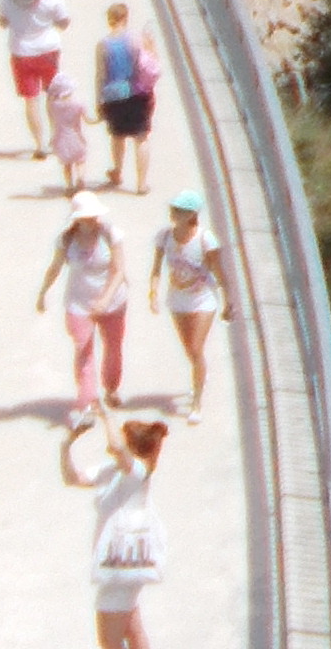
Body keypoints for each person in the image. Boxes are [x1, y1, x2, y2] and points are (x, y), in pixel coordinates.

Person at [70, 413, 169, 649]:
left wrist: (105, 415)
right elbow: (74, 478)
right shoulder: (117, 472)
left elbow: (114, 446)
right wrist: (66, 447)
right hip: (129, 565)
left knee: (110, 639)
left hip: (119, 567)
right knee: (132, 628)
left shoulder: (136, 470)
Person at [34, 209, 130, 412]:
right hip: (79, 302)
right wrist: (43, 292)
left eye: (94, 216)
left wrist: (105, 299)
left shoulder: (111, 235)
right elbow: (55, 267)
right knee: (83, 349)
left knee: (113, 346)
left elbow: (119, 270)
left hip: (112, 301)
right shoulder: (67, 240)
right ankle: (88, 399)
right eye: (87, 217)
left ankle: (111, 388)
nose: (93, 220)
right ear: (78, 220)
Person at [150, 190, 235, 411]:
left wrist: (228, 300)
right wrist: (153, 293)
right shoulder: (165, 236)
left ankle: (196, 402)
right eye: (173, 209)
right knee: (189, 349)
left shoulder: (205, 239)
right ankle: (199, 376)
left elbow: (218, 271)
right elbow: (156, 268)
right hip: (178, 299)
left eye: (180, 211)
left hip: (202, 298)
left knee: (196, 348)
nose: (174, 214)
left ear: (191, 215)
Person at [0, 0, 69, 136]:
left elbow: (2, 22)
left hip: (21, 53)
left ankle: (40, 144)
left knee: (30, 100)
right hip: (48, 50)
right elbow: (63, 23)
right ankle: (56, 137)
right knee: (53, 95)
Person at [92, 1, 161, 191]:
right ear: (125, 18)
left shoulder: (102, 45)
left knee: (117, 136)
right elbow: (151, 63)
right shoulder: (136, 40)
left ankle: (117, 172)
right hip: (138, 93)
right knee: (141, 137)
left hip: (113, 95)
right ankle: (141, 183)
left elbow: (100, 75)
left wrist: (99, 100)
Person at [43, 67, 95, 201]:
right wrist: (99, 119)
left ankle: (69, 185)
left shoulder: (54, 106)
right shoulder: (78, 105)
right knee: (80, 161)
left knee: (67, 165)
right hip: (77, 137)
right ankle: (81, 179)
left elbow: (52, 121)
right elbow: (89, 120)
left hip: (61, 139)